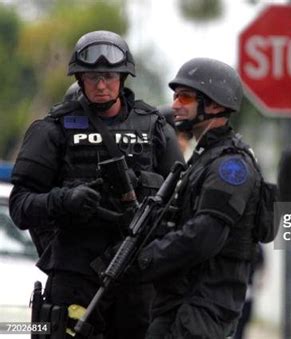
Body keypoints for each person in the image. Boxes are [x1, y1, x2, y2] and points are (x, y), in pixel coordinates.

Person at [9, 30, 183, 338]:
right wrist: (64, 200)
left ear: (122, 77)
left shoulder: (155, 128)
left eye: (108, 76)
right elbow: (20, 206)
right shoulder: (53, 130)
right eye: (92, 77)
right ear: (79, 80)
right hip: (75, 277)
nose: (101, 85)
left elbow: (181, 205)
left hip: (138, 280)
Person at [131, 57, 265, 339]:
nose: (176, 104)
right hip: (182, 304)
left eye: (186, 97)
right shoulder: (205, 158)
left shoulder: (231, 167)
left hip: (202, 310)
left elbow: (205, 236)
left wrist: (147, 258)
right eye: (176, 95)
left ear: (214, 105)